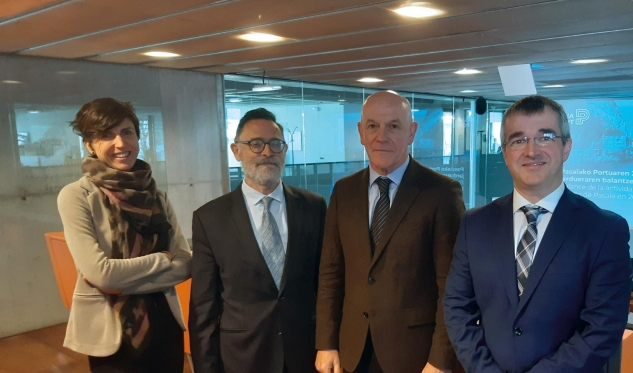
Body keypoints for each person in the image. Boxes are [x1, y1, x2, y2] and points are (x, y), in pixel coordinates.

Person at [443, 95, 632, 373]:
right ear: (505, 151)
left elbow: (602, 329)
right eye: (518, 140)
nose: (531, 151)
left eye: (545, 137)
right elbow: (457, 308)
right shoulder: (475, 224)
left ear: (566, 147)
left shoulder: (604, 230)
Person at [315, 91, 465, 373]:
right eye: (372, 126)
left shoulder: (442, 193)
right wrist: (326, 342)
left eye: (393, 126)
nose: (381, 136)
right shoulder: (343, 192)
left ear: (412, 132)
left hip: (416, 356)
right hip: (352, 351)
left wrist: (441, 358)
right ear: (361, 132)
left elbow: (452, 286)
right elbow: (330, 274)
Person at [57, 98, 192, 372]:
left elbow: (186, 264)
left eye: (127, 132)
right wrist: (162, 259)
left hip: (166, 324)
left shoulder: (157, 196)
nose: (120, 143)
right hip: (111, 333)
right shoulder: (77, 196)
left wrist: (118, 281)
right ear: (89, 144)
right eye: (106, 135)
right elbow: (101, 274)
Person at [189, 108, 326, 373]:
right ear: (236, 151)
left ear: (285, 150)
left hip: (306, 355)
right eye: (255, 144)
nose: (266, 152)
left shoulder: (314, 207)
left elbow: (327, 286)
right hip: (242, 358)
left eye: (275, 144)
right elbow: (203, 309)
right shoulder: (210, 218)